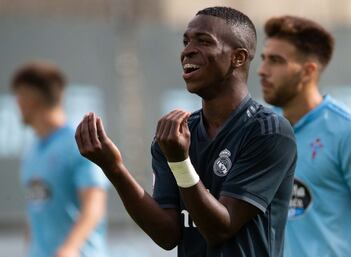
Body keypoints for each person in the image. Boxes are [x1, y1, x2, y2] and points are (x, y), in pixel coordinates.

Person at [76, 7, 297, 257]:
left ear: (238, 57)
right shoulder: (175, 137)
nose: (187, 50)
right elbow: (167, 234)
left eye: (203, 41)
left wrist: (180, 162)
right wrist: (114, 169)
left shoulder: (268, 131)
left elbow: (220, 228)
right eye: (186, 41)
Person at [258, 15, 351, 257]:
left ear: (308, 71)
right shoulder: (260, 130)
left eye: (276, 61)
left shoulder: (347, 131)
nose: (262, 71)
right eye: (263, 59)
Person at [11, 61, 109, 257]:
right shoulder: (32, 151)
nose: (17, 103)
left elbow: (94, 206)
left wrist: (69, 249)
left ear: (31, 98)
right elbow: (37, 211)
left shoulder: (79, 143)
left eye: (19, 95)